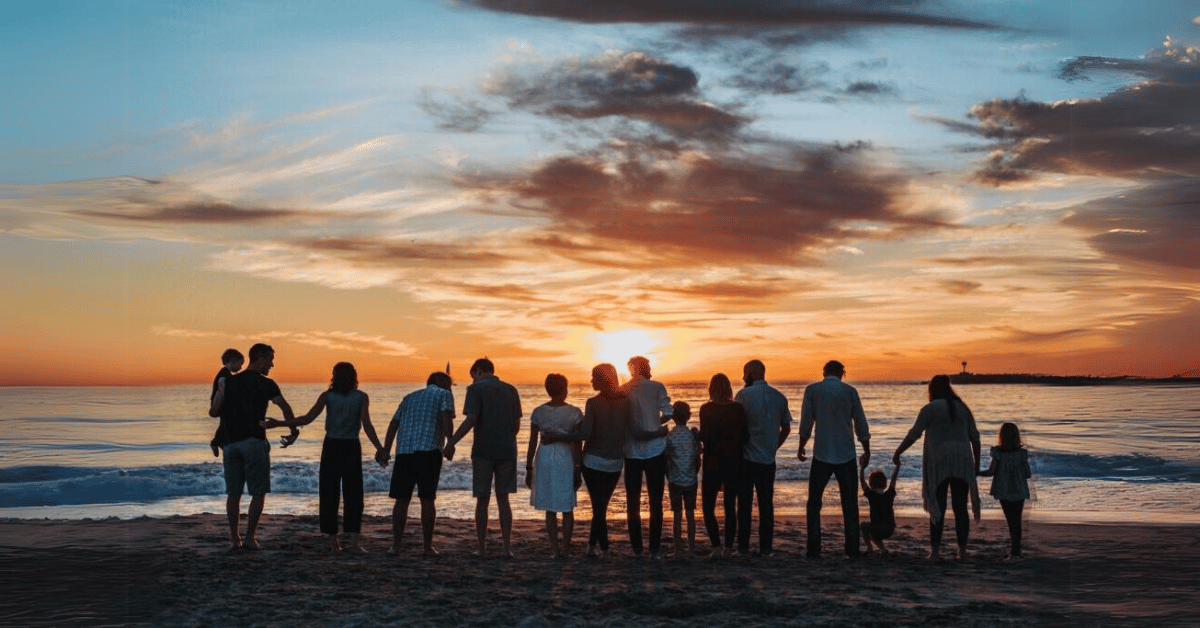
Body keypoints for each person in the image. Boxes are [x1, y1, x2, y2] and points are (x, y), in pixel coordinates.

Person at [264, 362, 383, 554]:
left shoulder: (328, 396)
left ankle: (333, 541)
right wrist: (380, 448)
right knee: (354, 495)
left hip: (332, 447)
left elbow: (307, 419)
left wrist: (280, 423)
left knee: (329, 494)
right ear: (354, 376)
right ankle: (352, 542)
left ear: (334, 376)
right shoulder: (360, 397)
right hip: (351, 447)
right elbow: (367, 425)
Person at [208, 343, 298, 551]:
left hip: (230, 444)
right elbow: (285, 407)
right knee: (258, 493)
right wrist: (293, 432)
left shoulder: (230, 381)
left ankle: (234, 539)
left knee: (233, 493)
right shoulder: (266, 384)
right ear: (258, 358)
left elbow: (215, 410)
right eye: (270, 359)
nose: (272, 364)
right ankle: (249, 538)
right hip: (253, 442)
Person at [892, 374, 981, 561]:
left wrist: (898, 452)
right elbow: (975, 437)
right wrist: (976, 463)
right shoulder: (963, 408)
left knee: (937, 505)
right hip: (962, 460)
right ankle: (962, 552)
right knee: (960, 508)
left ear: (931, 390)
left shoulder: (930, 409)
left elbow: (913, 434)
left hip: (938, 462)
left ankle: (935, 551)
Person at [444, 358, 522, 558]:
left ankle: (482, 547)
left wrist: (451, 442)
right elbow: (516, 427)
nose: (473, 381)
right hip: (507, 450)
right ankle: (506, 547)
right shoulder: (511, 390)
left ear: (478, 371)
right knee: (503, 499)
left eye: (473, 377)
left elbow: (471, 419)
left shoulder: (475, 390)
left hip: (483, 450)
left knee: (482, 499)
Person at [798, 359, 870, 559]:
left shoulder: (813, 391)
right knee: (849, 504)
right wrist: (866, 448)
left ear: (823, 372)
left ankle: (814, 549)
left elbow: (807, 421)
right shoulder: (850, 392)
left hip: (821, 453)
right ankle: (852, 549)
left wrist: (801, 445)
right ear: (842, 373)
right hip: (846, 453)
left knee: (814, 503)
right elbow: (860, 423)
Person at [377, 371, 455, 557]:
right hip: (428, 450)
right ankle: (427, 547)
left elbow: (393, 423)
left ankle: (396, 545)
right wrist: (450, 441)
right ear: (441, 382)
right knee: (427, 499)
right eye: (449, 383)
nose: (450, 386)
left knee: (401, 500)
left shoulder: (409, 397)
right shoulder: (444, 394)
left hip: (404, 451)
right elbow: (446, 416)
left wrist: (386, 449)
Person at [735, 359, 792, 558]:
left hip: (747, 458)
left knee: (744, 505)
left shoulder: (743, 395)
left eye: (745, 373)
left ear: (752, 373)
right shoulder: (779, 397)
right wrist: (774, 446)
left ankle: (743, 547)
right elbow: (786, 428)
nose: (743, 377)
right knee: (766, 505)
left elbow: (737, 428)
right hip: (768, 458)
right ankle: (765, 548)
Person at [576, 363, 631, 559]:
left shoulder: (592, 403)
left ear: (601, 380)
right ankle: (592, 547)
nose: (591, 381)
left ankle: (604, 549)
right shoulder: (626, 402)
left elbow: (584, 434)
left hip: (592, 462)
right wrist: (659, 428)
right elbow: (633, 430)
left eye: (593, 377)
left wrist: (561, 434)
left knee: (598, 507)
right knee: (600, 507)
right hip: (615, 462)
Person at [525, 373, 584, 559]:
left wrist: (528, 467)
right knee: (567, 507)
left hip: (544, 456)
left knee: (550, 508)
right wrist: (578, 467)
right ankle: (565, 549)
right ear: (565, 389)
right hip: (565, 456)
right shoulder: (574, 412)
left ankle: (555, 550)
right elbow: (577, 443)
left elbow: (532, 442)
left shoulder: (538, 412)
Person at [621, 356, 673, 558]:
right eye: (649, 366)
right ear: (645, 368)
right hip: (655, 450)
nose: (651, 369)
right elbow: (668, 413)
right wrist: (655, 423)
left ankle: (636, 549)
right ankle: (654, 549)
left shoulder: (624, 389)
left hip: (631, 451)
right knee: (656, 501)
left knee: (632, 500)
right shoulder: (658, 387)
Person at [698, 373, 747, 558]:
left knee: (708, 507)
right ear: (728, 388)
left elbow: (704, 436)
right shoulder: (738, 409)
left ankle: (716, 547)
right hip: (734, 461)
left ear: (711, 389)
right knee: (730, 507)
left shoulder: (706, 409)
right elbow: (745, 437)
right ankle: (728, 548)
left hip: (712, 462)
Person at [978, 422, 1031, 558]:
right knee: (1017, 520)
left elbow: (991, 472)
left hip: (1003, 490)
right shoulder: (1022, 453)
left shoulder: (998, 453)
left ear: (1001, 436)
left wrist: (977, 473)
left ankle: (1014, 553)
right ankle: (1016, 551)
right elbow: (1028, 474)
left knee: (1010, 520)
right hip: (1019, 489)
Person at [664, 400, 700, 558]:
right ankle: (691, 548)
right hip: (691, 479)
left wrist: (668, 476)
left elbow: (666, 459)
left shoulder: (669, 437)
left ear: (672, 417)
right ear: (689, 416)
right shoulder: (692, 436)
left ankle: (678, 549)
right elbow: (698, 457)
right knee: (690, 514)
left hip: (675, 480)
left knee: (677, 515)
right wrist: (695, 471)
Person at [859, 462, 900, 557]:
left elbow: (862, 481)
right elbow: (894, 479)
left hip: (877, 529)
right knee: (873, 530)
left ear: (871, 484)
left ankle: (873, 547)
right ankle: (881, 549)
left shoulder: (872, 495)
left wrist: (862, 468)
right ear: (885, 484)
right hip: (890, 529)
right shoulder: (889, 494)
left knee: (864, 527)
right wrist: (898, 466)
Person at [209, 349, 244, 457]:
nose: (241, 367)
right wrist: (222, 399)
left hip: (223, 403)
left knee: (224, 423)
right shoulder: (224, 373)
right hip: (221, 402)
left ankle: (219, 442)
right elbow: (222, 384)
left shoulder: (226, 372)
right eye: (240, 364)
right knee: (225, 423)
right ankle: (215, 442)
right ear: (233, 361)